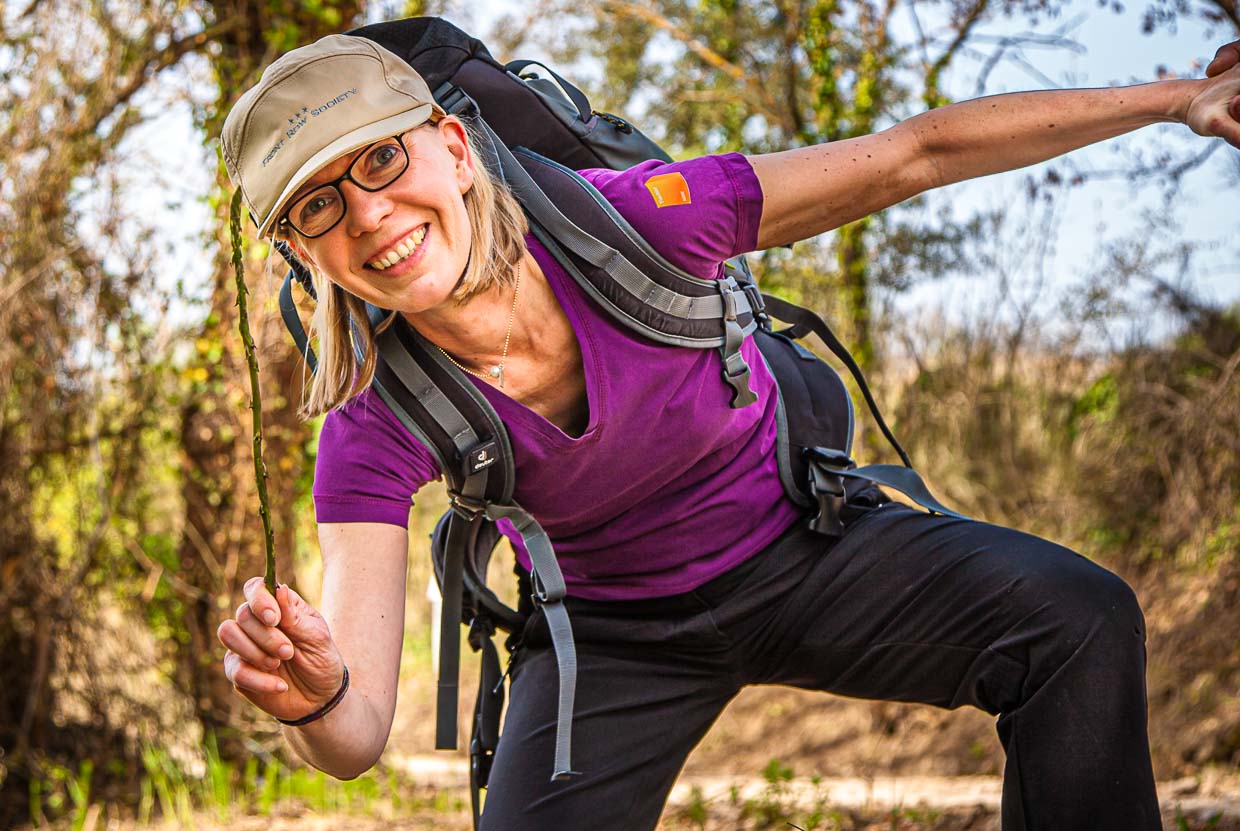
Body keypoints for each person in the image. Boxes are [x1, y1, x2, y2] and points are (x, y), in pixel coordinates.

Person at [215, 29, 1240, 831]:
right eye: (316, 205)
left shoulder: (649, 218)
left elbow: (911, 155)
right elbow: (353, 738)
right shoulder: (371, 420)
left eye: (381, 159)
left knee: (1076, 619)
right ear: (301, 253)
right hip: (607, 644)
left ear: (452, 146)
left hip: (807, 549)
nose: (368, 215)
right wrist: (310, 696)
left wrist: (1177, 99)